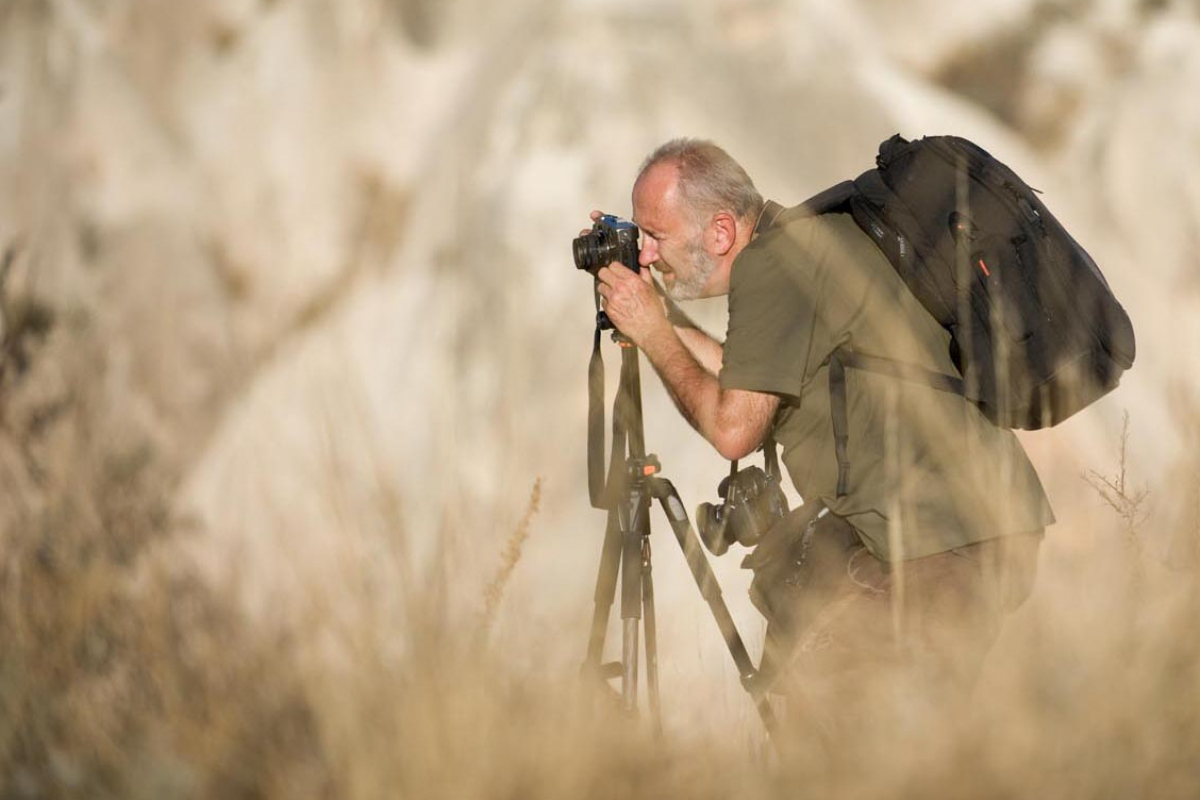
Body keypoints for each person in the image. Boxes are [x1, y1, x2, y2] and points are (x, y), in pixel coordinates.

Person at [592, 138, 1055, 745]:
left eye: (655, 234)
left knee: (845, 730)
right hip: (967, 528)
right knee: (853, 715)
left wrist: (651, 334)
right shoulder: (801, 245)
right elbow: (753, 374)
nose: (646, 254)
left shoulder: (773, 270)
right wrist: (662, 319)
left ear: (721, 233)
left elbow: (734, 429)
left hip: (945, 544)